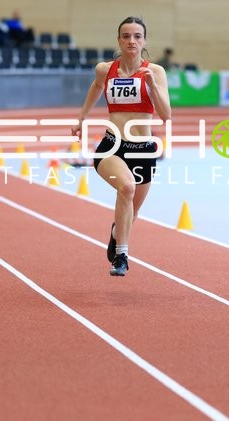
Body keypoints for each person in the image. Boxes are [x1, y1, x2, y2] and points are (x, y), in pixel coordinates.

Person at [71, 16, 171, 276]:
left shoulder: (155, 72)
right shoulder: (105, 69)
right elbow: (96, 87)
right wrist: (81, 118)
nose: (131, 41)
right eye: (126, 36)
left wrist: (151, 86)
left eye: (137, 36)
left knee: (132, 212)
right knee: (126, 187)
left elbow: (166, 114)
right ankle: (122, 256)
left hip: (143, 148)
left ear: (144, 41)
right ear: (119, 40)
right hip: (112, 144)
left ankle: (117, 233)